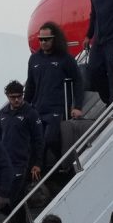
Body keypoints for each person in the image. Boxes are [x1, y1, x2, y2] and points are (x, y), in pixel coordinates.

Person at [25, 21, 85, 167]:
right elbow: (30, 85)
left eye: (47, 39)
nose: (43, 42)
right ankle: (42, 173)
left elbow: (78, 81)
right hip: (38, 109)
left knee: (50, 139)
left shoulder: (65, 59)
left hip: (56, 109)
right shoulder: (34, 59)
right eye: (41, 39)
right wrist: (24, 107)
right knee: (35, 143)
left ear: (54, 39)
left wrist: (77, 106)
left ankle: (65, 165)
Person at [0, 82, 44, 216]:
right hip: (6, 163)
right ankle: (12, 222)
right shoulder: (2, 114)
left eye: (19, 96)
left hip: (23, 163)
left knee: (16, 199)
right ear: (7, 97)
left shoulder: (31, 113)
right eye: (12, 97)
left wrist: (37, 163)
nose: (16, 100)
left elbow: (39, 140)